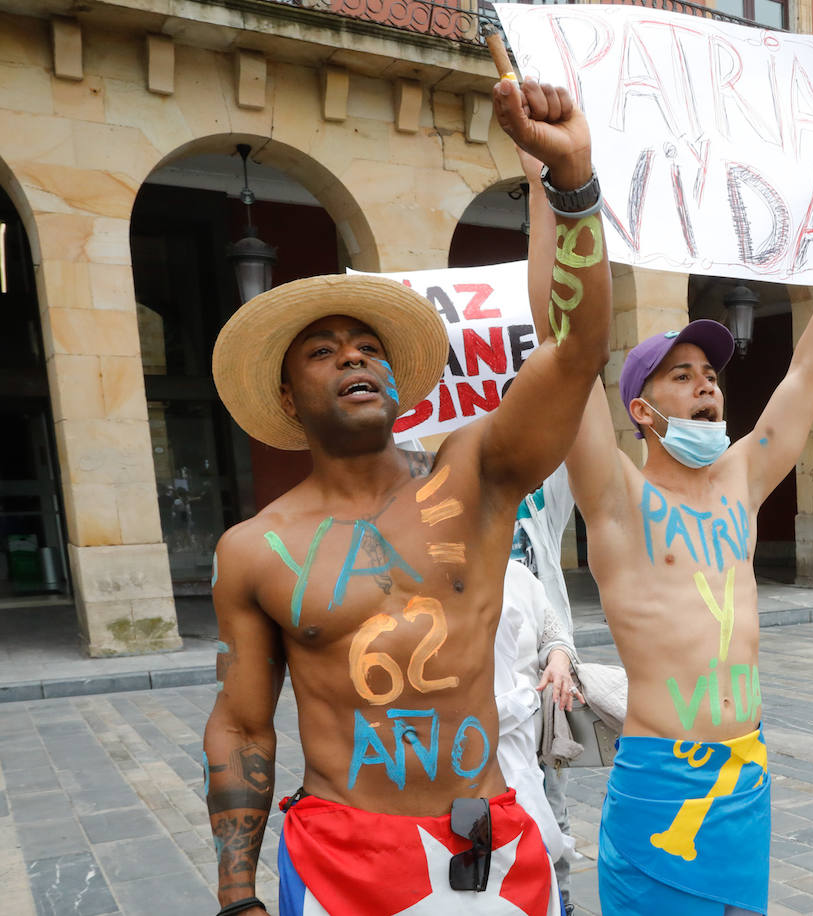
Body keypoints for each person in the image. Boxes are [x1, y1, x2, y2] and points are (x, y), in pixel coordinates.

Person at [201, 75, 610, 916]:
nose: (354, 358)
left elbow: (572, 355)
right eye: (323, 351)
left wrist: (572, 188)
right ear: (286, 399)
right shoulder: (254, 549)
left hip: (485, 848)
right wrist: (237, 893)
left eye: (368, 346)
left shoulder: (476, 477)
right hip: (341, 858)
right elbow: (243, 724)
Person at [518, 150, 813, 915]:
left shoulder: (740, 484)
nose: (707, 383)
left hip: (745, 772)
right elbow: (562, 343)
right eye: (681, 375)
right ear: (643, 412)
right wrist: (548, 192)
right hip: (661, 780)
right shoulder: (617, 497)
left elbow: (812, 369)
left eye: (710, 374)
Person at [510, 465, 582, 914]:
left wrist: (559, 655)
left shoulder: (537, 509)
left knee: (552, 804)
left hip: (544, 695)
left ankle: (564, 902)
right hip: (488, 702)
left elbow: (569, 460)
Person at [493, 559, 579, 898]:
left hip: (539, 732)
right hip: (486, 739)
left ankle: (563, 900)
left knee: (553, 818)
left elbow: (555, 635)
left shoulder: (517, 575)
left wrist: (558, 661)